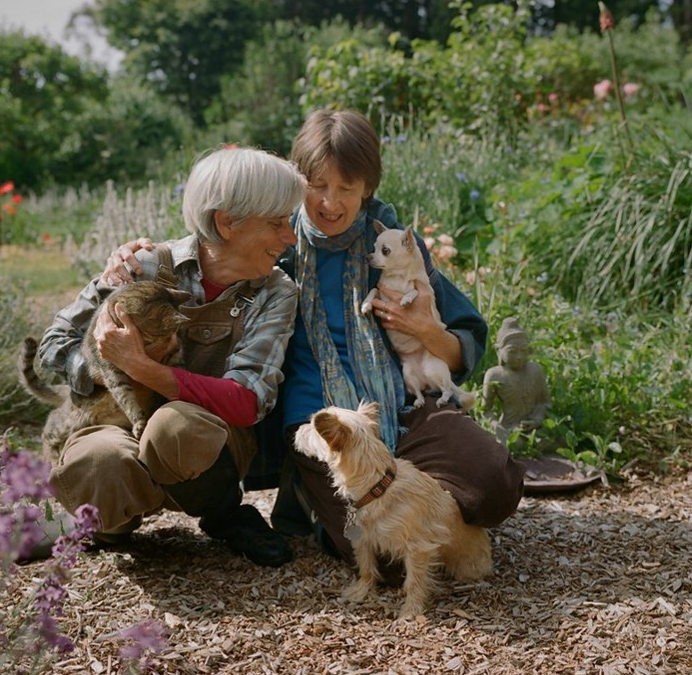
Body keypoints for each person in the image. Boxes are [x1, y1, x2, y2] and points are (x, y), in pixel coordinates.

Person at [105, 110, 526, 572]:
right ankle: (322, 496)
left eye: (347, 187)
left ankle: (408, 497)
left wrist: (427, 330)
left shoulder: (394, 247)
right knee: (379, 556)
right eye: (317, 186)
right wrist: (133, 254)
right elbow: (208, 248)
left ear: (368, 187)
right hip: (320, 423)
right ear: (296, 182)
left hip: (404, 405)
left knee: (494, 487)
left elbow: (462, 340)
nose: (330, 202)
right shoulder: (272, 248)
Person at [37, 146, 307, 568]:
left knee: (177, 427)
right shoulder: (141, 267)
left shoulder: (275, 292)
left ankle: (223, 515)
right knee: (101, 460)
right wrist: (103, 366)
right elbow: (52, 346)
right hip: (115, 425)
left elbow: (247, 400)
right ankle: (98, 524)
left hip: (204, 442)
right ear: (226, 222)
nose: (290, 237)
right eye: (277, 223)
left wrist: (142, 367)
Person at [482, 317, 551, 443]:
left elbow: (544, 403)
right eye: (512, 351)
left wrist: (537, 420)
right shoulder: (494, 375)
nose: (519, 357)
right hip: (508, 430)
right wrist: (495, 425)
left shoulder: (535, 370)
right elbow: (485, 411)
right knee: (512, 444)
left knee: (554, 440)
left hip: (534, 430)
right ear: (498, 350)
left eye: (524, 350)